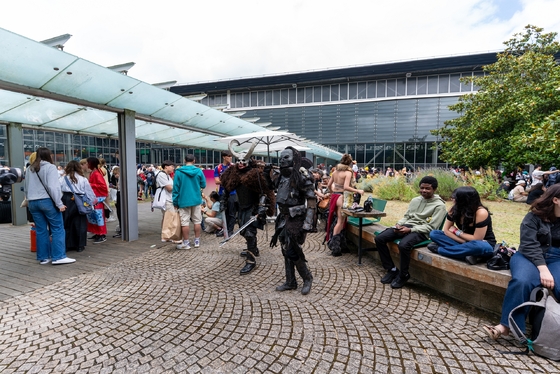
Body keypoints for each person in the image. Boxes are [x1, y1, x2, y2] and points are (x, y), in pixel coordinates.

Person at [483, 184, 560, 341]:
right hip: (528, 256)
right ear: (556, 200)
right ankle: (506, 326)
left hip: (557, 259)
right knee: (522, 281)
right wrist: (543, 269)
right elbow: (529, 244)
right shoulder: (534, 217)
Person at [374, 176, 446, 288]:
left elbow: (432, 227)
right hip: (407, 226)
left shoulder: (439, 206)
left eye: (427, 188)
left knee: (403, 245)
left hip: (422, 232)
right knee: (380, 238)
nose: (424, 191)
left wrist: (411, 229)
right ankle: (392, 269)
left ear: (434, 189)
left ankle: (404, 275)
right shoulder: (415, 200)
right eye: (422, 188)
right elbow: (407, 216)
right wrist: (399, 224)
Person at [220, 141, 275, 275]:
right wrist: (223, 200)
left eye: (243, 161)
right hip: (242, 207)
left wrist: (262, 207)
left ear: (249, 161)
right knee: (243, 231)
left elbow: (265, 191)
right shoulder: (233, 173)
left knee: (249, 233)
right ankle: (253, 249)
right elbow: (227, 187)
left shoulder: (256, 174)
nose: (240, 163)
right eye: (238, 161)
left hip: (253, 208)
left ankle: (251, 261)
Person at [270, 146, 316, 295]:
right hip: (282, 217)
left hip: (296, 218)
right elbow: (270, 187)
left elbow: (311, 201)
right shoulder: (280, 177)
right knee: (285, 250)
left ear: (294, 159)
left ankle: (307, 277)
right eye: (281, 158)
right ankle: (290, 281)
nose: (282, 161)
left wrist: (308, 222)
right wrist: (266, 173)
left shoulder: (303, 176)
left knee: (292, 250)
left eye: (286, 158)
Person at [24, 147, 75, 265]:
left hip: (33, 202)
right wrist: (59, 204)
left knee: (41, 230)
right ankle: (58, 256)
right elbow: (53, 187)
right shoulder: (50, 167)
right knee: (57, 228)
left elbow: (26, 188)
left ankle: (43, 257)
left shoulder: (30, 169)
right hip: (47, 201)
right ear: (48, 156)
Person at [428, 186, 496, 265]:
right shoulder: (453, 210)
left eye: (454, 198)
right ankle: (471, 256)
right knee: (434, 234)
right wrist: (465, 242)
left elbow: (477, 238)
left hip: (483, 244)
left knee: (479, 246)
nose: (452, 199)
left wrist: (456, 231)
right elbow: (446, 231)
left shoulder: (481, 212)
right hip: (463, 242)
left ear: (464, 200)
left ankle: (440, 250)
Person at [325, 154, 364, 256]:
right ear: (350, 163)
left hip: (335, 196)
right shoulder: (347, 173)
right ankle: (335, 247)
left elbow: (329, 186)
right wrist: (358, 190)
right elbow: (346, 187)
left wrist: (332, 192)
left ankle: (340, 245)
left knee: (339, 221)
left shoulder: (335, 172)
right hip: (342, 198)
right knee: (340, 222)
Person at [60, 160, 97, 252]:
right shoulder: (83, 179)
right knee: (80, 223)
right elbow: (88, 192)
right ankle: (80, 245)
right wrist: (93, 202)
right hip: (80, 200)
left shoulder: (63, 179)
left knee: (66, 223)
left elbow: (58, 190)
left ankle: (67, 244)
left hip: (66, 199)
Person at [172, 154, 206, 250]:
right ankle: (197, 241)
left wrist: (175, 202)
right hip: (196, 199)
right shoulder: (199, 171)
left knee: (184, 222)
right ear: (194, 160)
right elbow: (203, 184)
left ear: (184, 160)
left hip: (183, 200)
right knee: (197, 221)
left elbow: (176, 188)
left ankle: (186, 243)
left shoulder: (179, 172)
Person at [214, 150, 237, 236]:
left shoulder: (233, 167)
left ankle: (230, 230)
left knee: (231, 212)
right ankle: (225, 230)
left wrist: (223, 180)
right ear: (224, 157)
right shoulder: (218, 167)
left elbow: (235, 180)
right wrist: (227, 180)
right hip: (222, 193)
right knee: (224, 212)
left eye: (231, 156)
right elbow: (216, 181)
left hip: (232, 193)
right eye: (229, 156)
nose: (230, 158)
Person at [87, 157, 109, 243]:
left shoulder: (96, 174)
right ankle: (97, 232)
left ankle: (101, 234)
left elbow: (103, 186)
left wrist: (91, 184)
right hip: (94, 198)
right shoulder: (94, 173)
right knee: (94, 216)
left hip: (97, 198)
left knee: (98, 216)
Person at [110, 166, 122, 238]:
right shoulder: (118, 179)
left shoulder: (121, 179)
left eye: (116, 174)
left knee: (120, 213)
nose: (115, 176)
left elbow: (119, 188)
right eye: (114, 174)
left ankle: (122, 229)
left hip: (120, 194)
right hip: (119, 193)